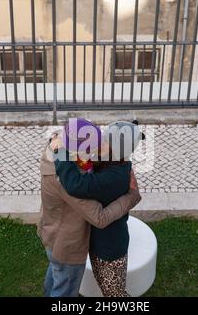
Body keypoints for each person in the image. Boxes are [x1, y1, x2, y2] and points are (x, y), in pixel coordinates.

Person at [37, 118, 142, 297]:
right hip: (67, 246)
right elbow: (99, 217)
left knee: (56, 277)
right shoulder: (67, 178)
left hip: (53, 234)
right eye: (91, 147)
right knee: (64, 289)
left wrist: (59, 144)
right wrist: (132, 197)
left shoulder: (55, 154)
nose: (96, 148)